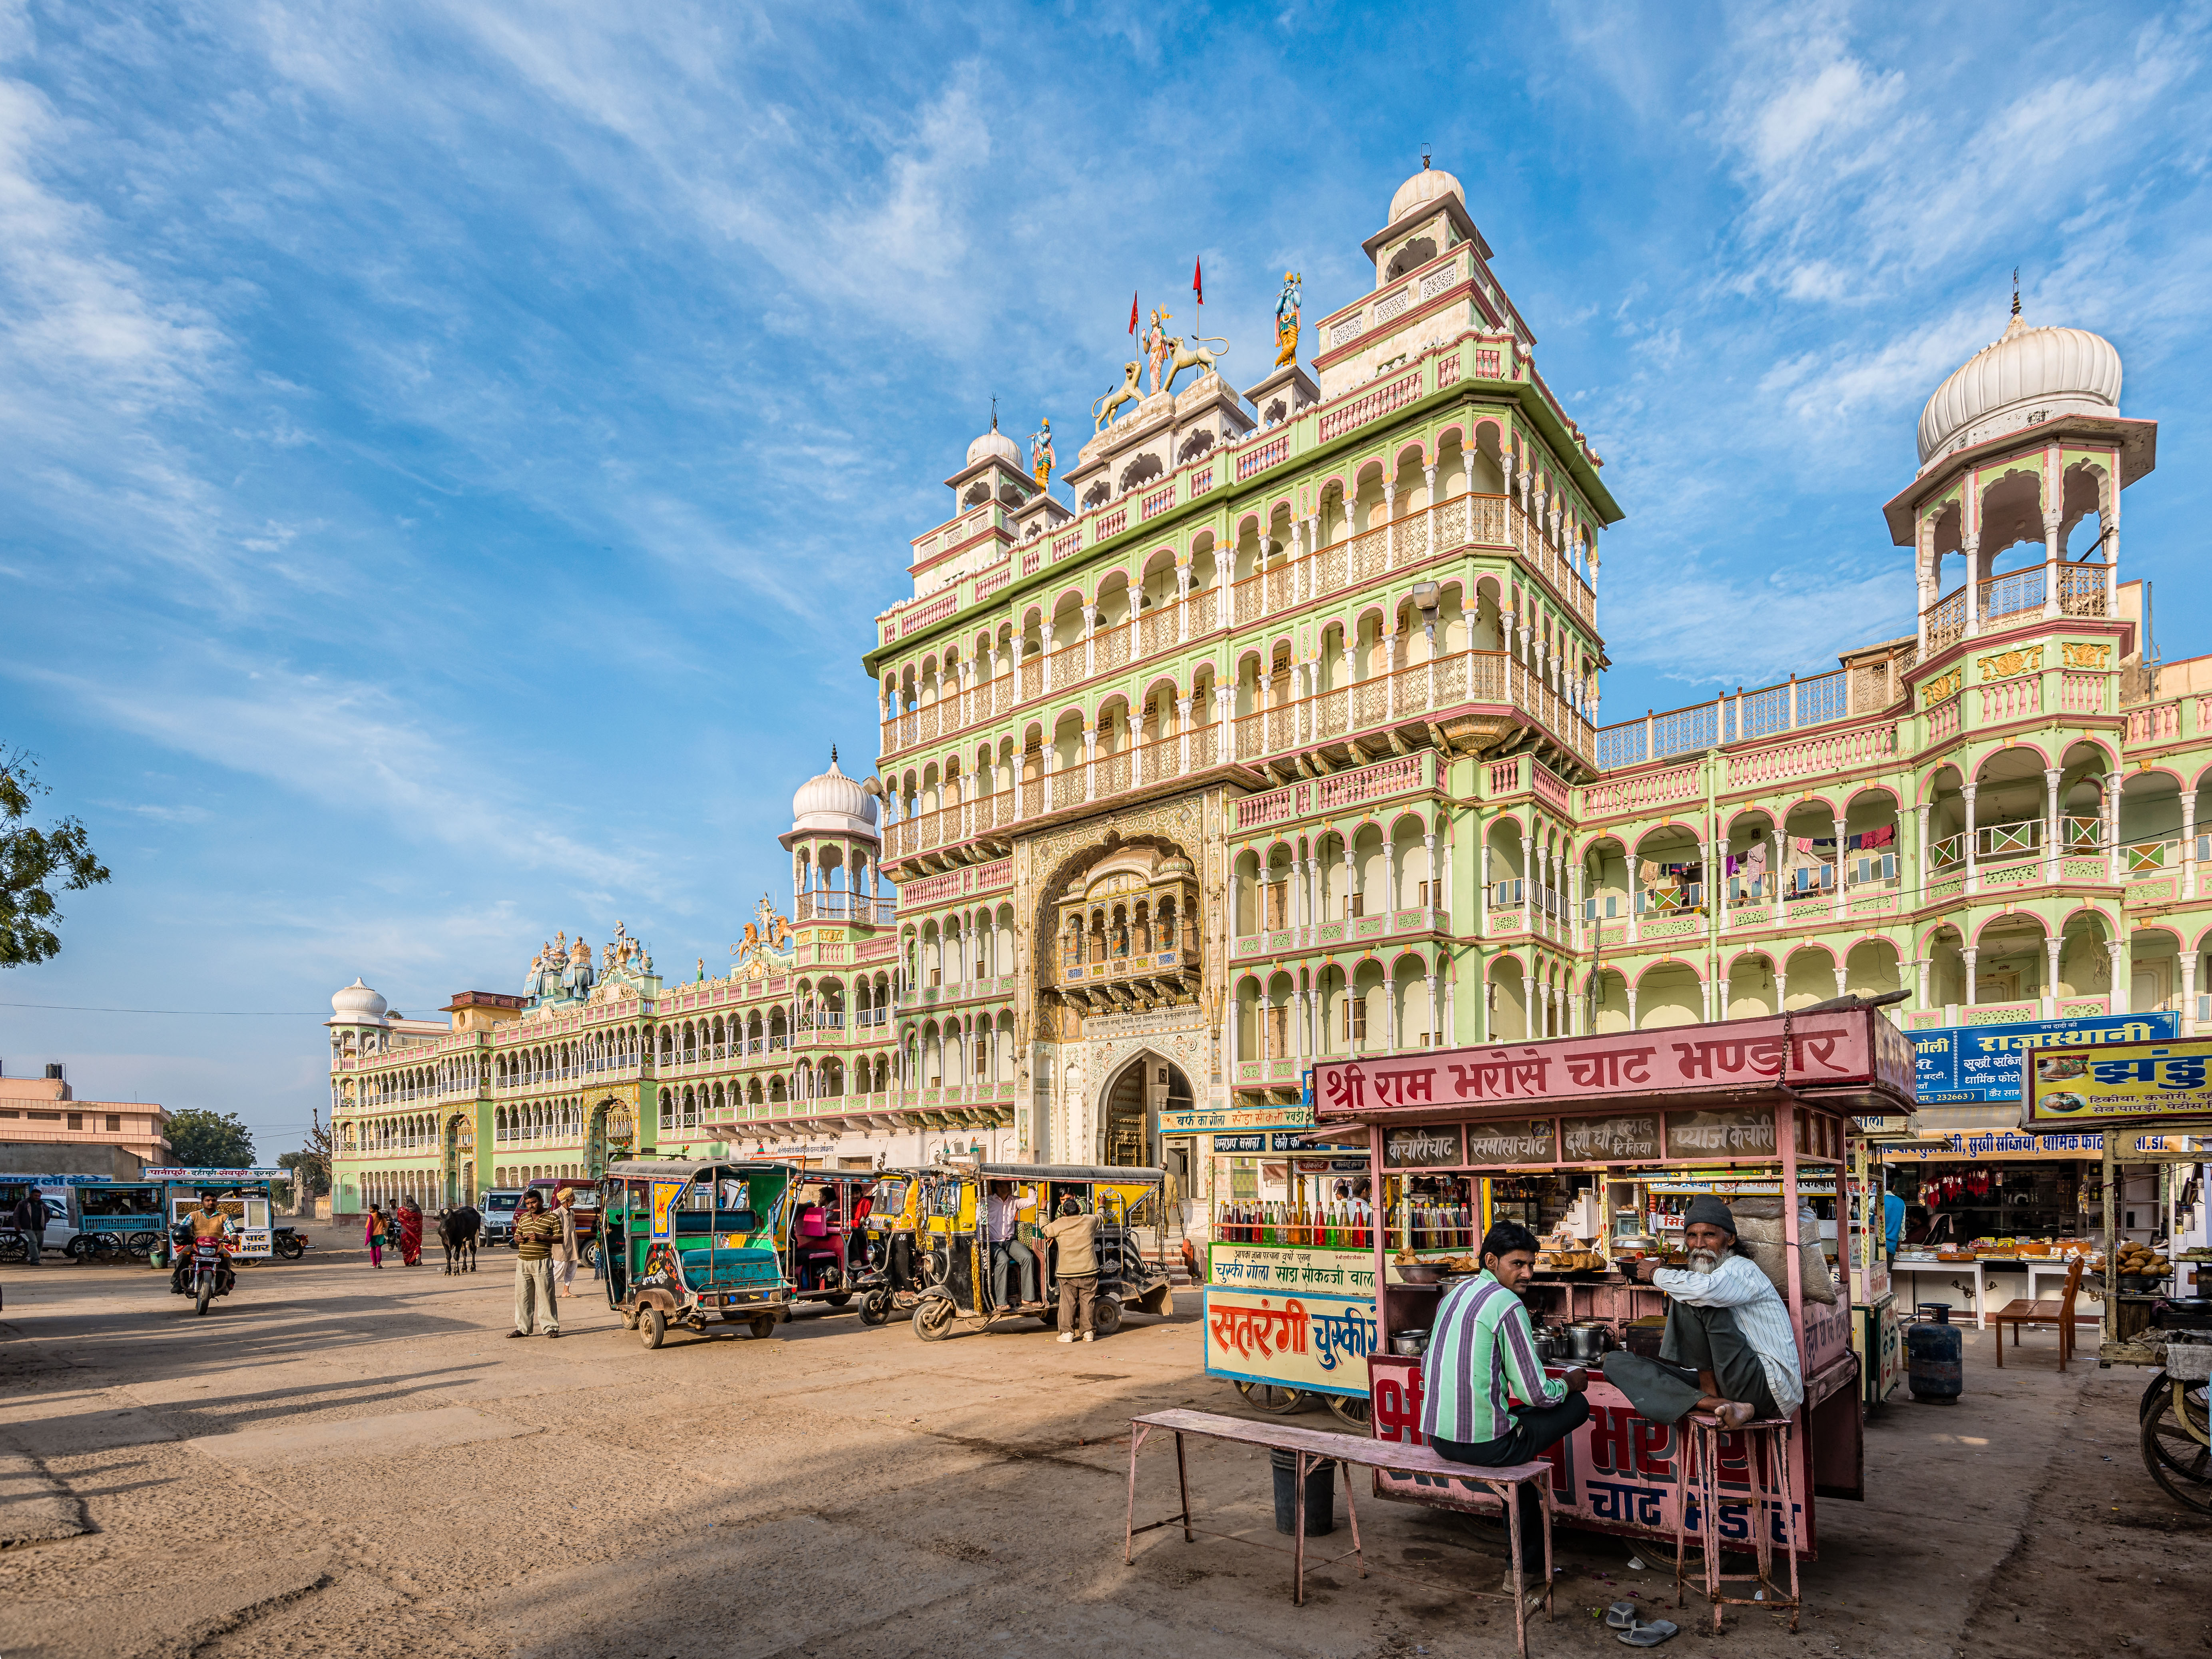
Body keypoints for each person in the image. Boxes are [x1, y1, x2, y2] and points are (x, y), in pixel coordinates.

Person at [1423, 1221, 1588, 1597]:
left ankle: (1524, 1569)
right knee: (1576, 1405)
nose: (1528, 1273)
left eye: (1532, 1264)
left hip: (1440, 1438)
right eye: (1518, 1264)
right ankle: (1524, 1571)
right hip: (1487, 1445)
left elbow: (1426, 1366)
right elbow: (1536, 1393)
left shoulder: (1455, 1294)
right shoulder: (1507, 1303)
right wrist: (1570, 1382)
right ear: (1492, 1261)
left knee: (1522, 1463)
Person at [1601, 1197, 1803, 1432]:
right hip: (1730, 1384)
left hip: (1767, 1388)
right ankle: (1718, 1404)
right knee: (1615, 1363)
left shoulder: (1741, 1268)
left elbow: (1703, 1290)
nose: (1699, 1244)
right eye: (1691, 1236)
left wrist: (1656, 1274)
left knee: (1691, 1296)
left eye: (1709, 1235)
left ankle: (1706, 1395)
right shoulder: (1709, 1275)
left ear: (1730, 1239)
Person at [1042, 1196, 1099, 1344]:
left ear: (1064, 1213)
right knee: (1088, 1302)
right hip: (1089, 1271)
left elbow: (1045, 1229)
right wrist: (1102, 1206)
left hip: (1067, 1273)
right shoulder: (1089, 1220)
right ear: (1079, 1210)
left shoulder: (1060, 1223)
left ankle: (1067, 1333)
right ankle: (1088, 1333)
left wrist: (1042, 1210)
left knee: (1068, 1302)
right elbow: (1101, 1217)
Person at [510, 1189, 563, 1338]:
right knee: (522, 1297)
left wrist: (540, 1237)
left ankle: (550, 1327)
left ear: (541, 1200)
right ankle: (523, 1328)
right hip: (523, 1262)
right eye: (528, 1204)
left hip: (542, 1261)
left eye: (533, 1202)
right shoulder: (524, 1218)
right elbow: (516, 1236)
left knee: (546, 1296)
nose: (531, 1206)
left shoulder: (552, 1218)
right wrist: (518, 1239)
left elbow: (560, 1239)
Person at [984, 1180, 1037, 1310]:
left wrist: (1030, 1185)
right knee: (1002, 1259)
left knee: (1027, 1257)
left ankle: (1027, 1298)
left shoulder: (1013, 1201)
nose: (1010, 1185)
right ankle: (1001, 1302)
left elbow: (1032, 1201)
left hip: (1009, 1241)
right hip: (992, 1243)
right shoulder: (987, 1202)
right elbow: (978, 1221)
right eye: (1007, 1183)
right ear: (998, 1186)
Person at [553, 1188, 580, 1298]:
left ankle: (566, 1291)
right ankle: (547, 1291)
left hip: (572, 1245)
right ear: (566, 1200)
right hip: (561, 1247)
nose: (574, 1199)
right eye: (573, 1197)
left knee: (572, 1268)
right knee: (558, 1270)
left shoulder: (572, 1213)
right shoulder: (557, 1214)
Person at [10, 1188, 46, 1266]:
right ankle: (35, 1261)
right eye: (36, 1196)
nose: (38, 1198)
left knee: (40, 1244)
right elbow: (16, 1215)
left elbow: (48, 1214)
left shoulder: (42, 1204)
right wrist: (17, 1225)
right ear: (31, 1195)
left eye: (39, 1196)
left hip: (40, 1227)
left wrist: (45, 1222)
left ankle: (34, 1258)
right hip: (28, 1227)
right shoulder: (23, 1203)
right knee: (33, 1242)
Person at [397, 1196, 424, 1268]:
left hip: (405, 1231)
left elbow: (399, 1219)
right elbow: (421, 1218)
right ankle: (418, 1255)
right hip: (416, 1230)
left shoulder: (402, 1210)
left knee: (407, 1245)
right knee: (416, 1244)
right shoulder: (418, 1209)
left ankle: (408, 1261)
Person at [1883, 1185, 1906, 1265]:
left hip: (1876, 1245)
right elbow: (1902, 1227)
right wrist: (1898, 1247)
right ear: (1894, 1187)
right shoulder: (1901, 1202)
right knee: (1887, 1276)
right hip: (1891, 1247)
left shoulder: (1875, 1200)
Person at [365, 1205, 388, 1269]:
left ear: (375, 1210)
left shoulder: (371, 1217)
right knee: (379, 1249)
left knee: (373, 1249)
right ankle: (379, 1262)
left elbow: (367, 1226)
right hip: (380, 1234)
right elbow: (386, 1225)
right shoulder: (381, 1216)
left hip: (373, 1235)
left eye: (371, 1209)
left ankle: (374, 1264)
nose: (369, 1210)